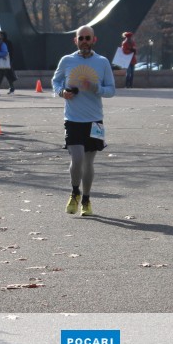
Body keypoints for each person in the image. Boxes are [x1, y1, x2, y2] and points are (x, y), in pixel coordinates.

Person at [52, 25, 116, 216]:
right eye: (81, 38)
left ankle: (86, 199)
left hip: (95, 120)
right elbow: (55, 81)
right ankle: (74, 192)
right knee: (77, 158)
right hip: (73, 118)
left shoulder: (102, 62)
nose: (84, 42)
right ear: (76, 41)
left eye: (88, 38)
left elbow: (111, 90)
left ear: (94, 40)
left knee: (88, 162)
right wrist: (62, 92)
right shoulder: (67, 60)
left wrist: (96, 88)